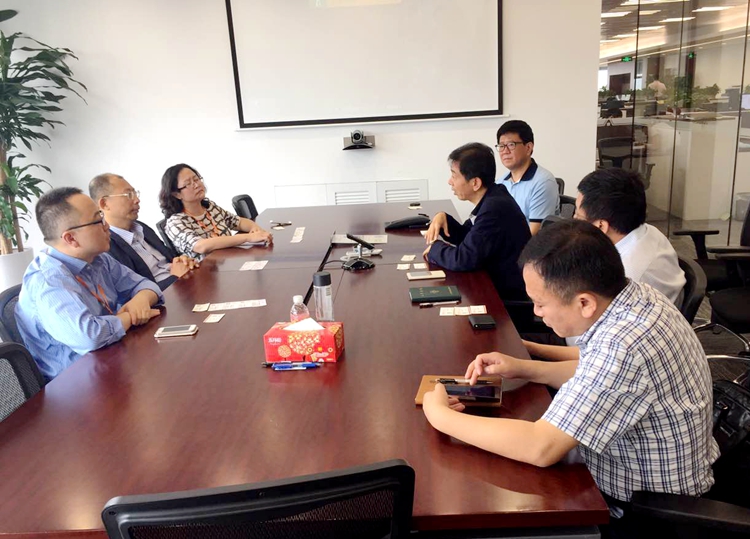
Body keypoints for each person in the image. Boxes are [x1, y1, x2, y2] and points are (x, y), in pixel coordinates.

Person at [422, 220, 718, 534]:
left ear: (584, 303)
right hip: (646, 474)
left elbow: (541, 447)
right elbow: (594, 370)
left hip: (646, 512)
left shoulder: (622, 346)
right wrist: (526, 365)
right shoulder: (630, 295)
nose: (536, 313)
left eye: (540, 304)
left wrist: (440, 415)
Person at [524, 167, 686, 362]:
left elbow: (594, 354)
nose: (573, 220)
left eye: (578, 216)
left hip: (587, 351)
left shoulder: (629, 274)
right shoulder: (644, 231)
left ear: (601, 226)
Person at [15, 187, 164, 380]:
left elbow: (147, 285)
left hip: (112, 358)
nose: (107, 225)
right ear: (71, 238)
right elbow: (90, 336)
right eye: (98, 220)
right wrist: (130, 317)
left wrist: (140, 301)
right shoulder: (48, 281)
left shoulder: (98, 259)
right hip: (75, 384)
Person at [423, 142, 530, 301]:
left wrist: (435, 249)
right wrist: (443, 218)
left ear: (475, 183)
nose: (450, 181)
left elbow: (464, 259)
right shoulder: (493, 196)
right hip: (492, 284)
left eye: (454, 176)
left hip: (506, 298)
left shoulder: (494, 209)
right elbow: (468, 237)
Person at [89, 173, 199, 290]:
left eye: (135, 193)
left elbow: (171, 258)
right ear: (104, 204)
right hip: (167, 294)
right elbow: (134, 292)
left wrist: (183, 260)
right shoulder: (106, 248)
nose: (137, 200)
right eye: (129, 195)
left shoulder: (141, 227)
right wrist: (175, 277)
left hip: (186, 282)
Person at [159, 163, 273, 259]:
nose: (196, 185)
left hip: (229, 262)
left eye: (196, 179)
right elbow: (201, 246)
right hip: (205, 273)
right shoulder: (175, 223)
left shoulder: (210, 207)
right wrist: (248, 237)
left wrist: (255, 229)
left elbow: (238, 222)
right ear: (176, 194)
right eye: (188, 184)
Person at [496, 120, 559, 235]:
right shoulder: (500, 182)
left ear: (528, 147)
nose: (505, 151)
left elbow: (534, 234)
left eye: (511, 145)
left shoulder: (543, 182)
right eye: (501, 146)